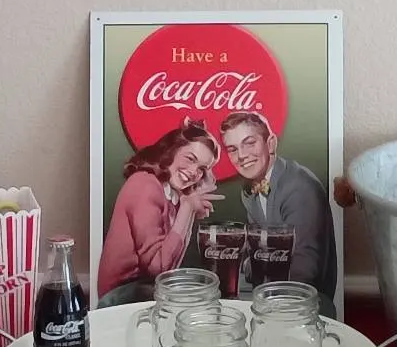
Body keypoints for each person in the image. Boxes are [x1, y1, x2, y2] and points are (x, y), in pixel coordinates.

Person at [219, 112, 338, 317]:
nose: (241, 156)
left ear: (271, 143)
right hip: (270, 298)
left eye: (249, 143)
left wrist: (252, 264)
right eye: (233, 149)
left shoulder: (299, 188)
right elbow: (256, 252)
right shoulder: (250, 189)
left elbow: (303, 273)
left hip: (307, 308)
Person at [97, 119, 222, 307]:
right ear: (171, 151)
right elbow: (158, 268)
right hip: (118, 298)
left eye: (202, 169)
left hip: (146, 291)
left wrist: (188, 211)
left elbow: (170, 268)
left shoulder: (172, 194)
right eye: (190, 158)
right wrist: (187, 208)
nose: (193, 172)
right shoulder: (145, 185)